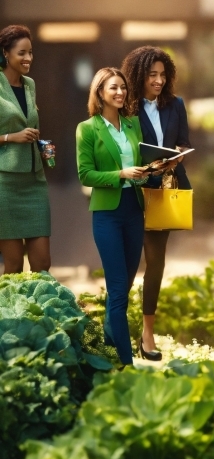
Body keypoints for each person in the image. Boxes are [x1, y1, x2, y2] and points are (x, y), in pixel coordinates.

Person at [121, 46, 192, 362]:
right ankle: (118, 326)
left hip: (164, 191)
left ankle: (147, 332)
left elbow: (185, 141)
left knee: (156, 262)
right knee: (126, 263)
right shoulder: (126, 108)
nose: (159, 81)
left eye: (163, 75)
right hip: (133, 191)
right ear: (139, 75)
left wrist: (176, 155)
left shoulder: (175, 105)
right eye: (153, 75)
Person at [76, 68, 146, 366]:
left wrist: (151, 172)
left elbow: (140, 165)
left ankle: (107, 345)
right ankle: (126, 364)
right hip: (107, 213)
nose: (120, 93)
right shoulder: (87, 128)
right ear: (100, 92)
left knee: (126, 286)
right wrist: (120, 174)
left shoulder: (132, 126)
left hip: (134, 210)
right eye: (113, 88)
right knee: (118, 290)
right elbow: (85, 174)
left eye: (123, 88)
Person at [0, 24, 51, 274]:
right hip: (5, 183)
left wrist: (41, 146)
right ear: (6, 53)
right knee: (14, 266)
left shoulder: (30, 84)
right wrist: (11, 137)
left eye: (30, 52)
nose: (28, 58)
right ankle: (9, 313)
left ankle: (39, 313)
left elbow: (29, 123)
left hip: (34, 180)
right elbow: (15, 132)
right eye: (22, 53)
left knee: (42, 263)